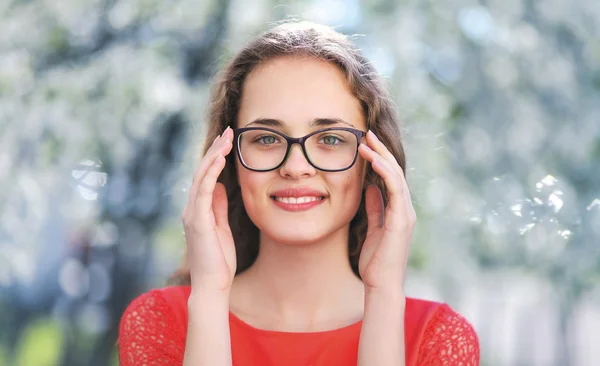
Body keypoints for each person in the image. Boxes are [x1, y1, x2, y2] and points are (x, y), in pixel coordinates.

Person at [117, 20, 480, 365]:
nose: (295, 166)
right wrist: (210, 298)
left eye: (331, 139)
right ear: (229, 160)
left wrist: (383, 296)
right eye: (266, 139)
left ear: (373, 162)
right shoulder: (160, 321)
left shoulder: (437, 337)